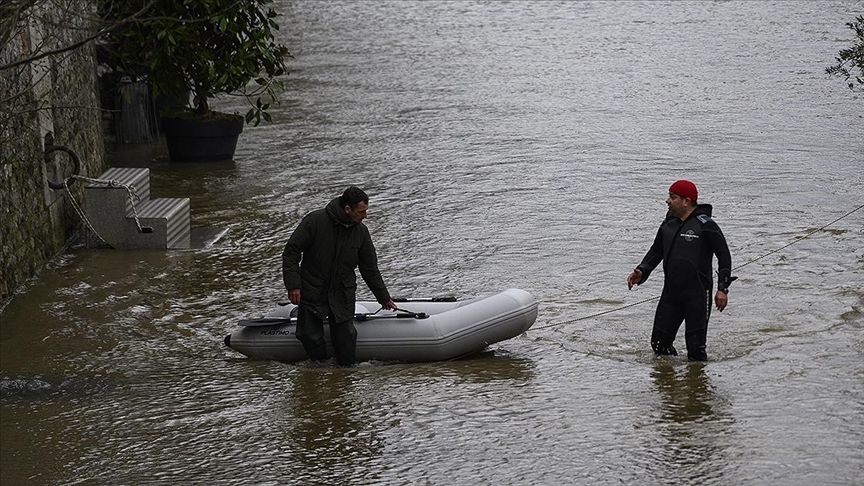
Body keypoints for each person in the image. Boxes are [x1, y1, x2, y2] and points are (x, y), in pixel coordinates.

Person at [282, 186, 397, 366]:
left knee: (346, 338)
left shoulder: (361, 233)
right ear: (347, 209)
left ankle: (343, 380)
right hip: (312, 289)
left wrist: (383, 297)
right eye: (361, 212)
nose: (365, 216)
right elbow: (291, 252)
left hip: (342, 292)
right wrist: (293, 285)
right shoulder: (315, 221)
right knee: (308, 335)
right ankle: (319, 369)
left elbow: (369, 268)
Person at [626, 180, 735, 361]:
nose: (667, 201)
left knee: (696, 350)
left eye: (672, 197)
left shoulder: (706, 225)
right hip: (671, 295)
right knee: (659, 345)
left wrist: (722, 289)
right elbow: (656, 251)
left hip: (698, 295)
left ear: (686, 201)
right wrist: (642, 271)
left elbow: (724, 256)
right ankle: (672, 384)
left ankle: (697, 387)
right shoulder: (668, 224)